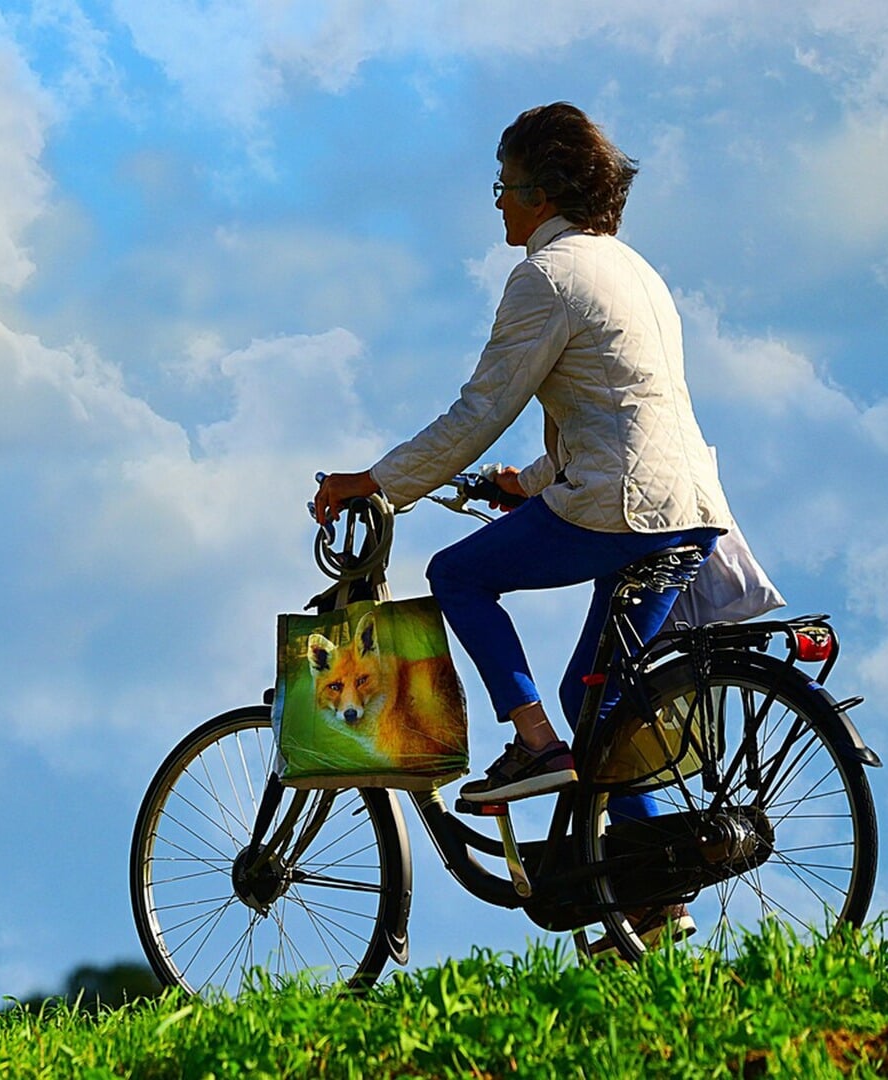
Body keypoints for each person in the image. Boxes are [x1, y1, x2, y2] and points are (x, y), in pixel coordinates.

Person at [313, 103, 734, 938]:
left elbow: (482, 409)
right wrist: (531, 480)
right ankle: (649, 899)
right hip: (686, 508)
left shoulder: (545, 278)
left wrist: (380, 481)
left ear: (542, 194)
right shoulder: (633, 270)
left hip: (621, 509)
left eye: (504, 186)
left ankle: (532, 743)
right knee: (604, 703)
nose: (498, 204)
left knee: (457, 575)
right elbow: (622, 410)